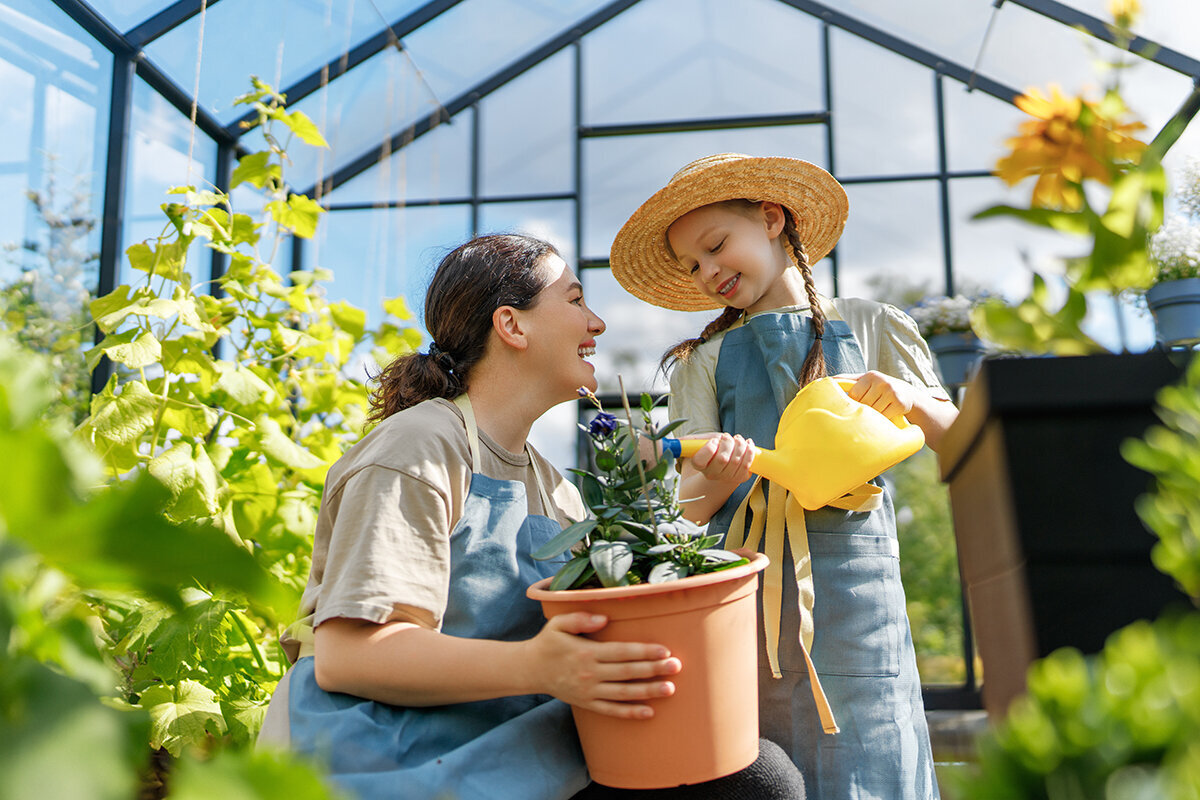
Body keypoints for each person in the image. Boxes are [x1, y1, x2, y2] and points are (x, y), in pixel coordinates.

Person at [257, 233, 806, 800]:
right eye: (573, 300)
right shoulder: (421, 446)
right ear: (512, 326)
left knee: (754, 773)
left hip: (505, 751)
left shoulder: (552, 488)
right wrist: (538, 667)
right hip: (382, 763)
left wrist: (707, 487)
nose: (597, 323)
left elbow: (625, 596)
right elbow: (351, 656)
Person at [609, 154, 959, 799]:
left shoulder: (876, 325)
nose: (709, 272)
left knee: (877, 751)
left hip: (863, 592)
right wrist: (717, 476)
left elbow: (958, 444)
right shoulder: (702, 361)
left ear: (772, 218)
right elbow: (684, 514)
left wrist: (909, 398)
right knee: (771, 763)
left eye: (716, 246)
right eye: (693, 266)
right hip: (745, 588)